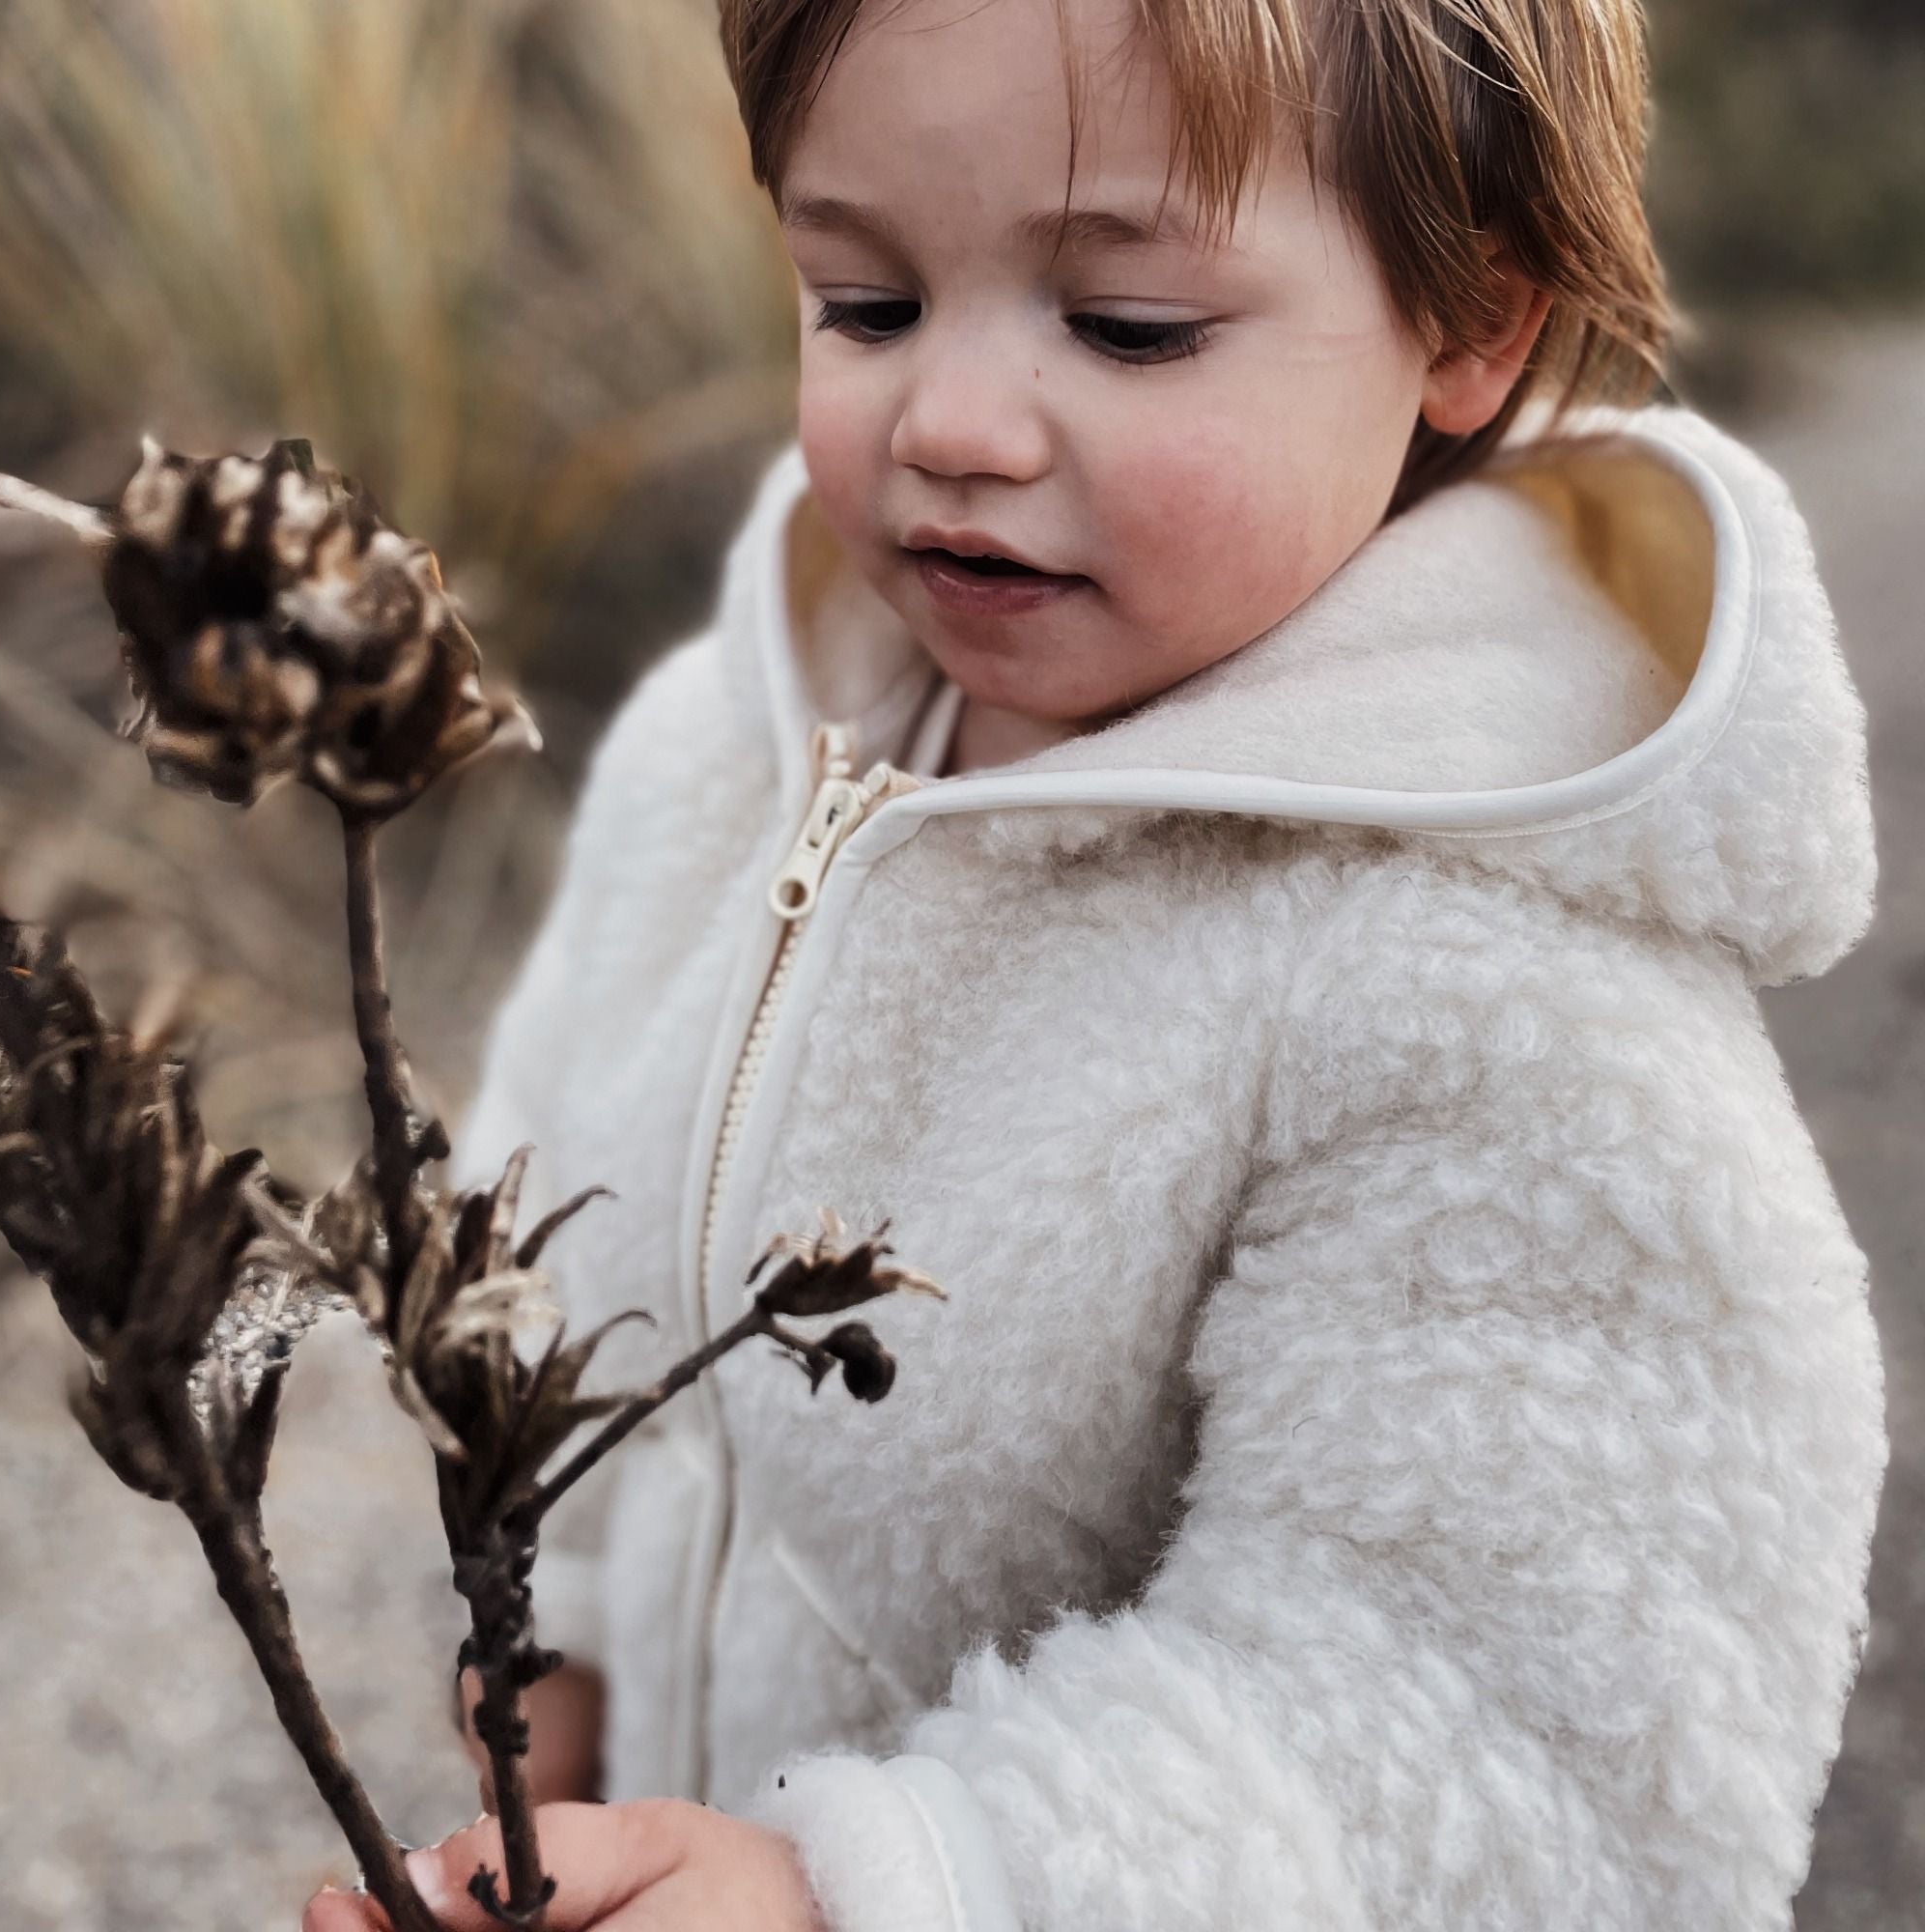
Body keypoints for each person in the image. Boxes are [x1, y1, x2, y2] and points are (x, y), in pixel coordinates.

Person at [306, 0, 1885, 1925]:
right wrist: (563, 1649)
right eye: (863, 303)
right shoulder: (736, 754)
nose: (948, 423)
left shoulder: (1498, 988)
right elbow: (556, 1229)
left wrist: (873, 1891)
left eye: (1128, 328)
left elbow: (1510, 1729)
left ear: (1467, 319)